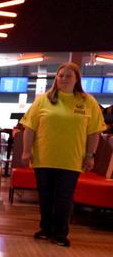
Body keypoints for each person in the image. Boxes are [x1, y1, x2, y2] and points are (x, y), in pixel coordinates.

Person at [21, 61, 105, 247]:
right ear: (56, 78)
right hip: (44, 157)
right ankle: (45, 229)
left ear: (77, 79)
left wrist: (90, 155)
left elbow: (94, 132)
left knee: (64, 197)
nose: (64, 79)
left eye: (68, 76)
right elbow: (29, 128)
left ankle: (60, 233)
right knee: (45, 196)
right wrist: (26, 151)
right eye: (60, 76)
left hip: (71, 159)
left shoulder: (88, 101)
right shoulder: (43, 100)